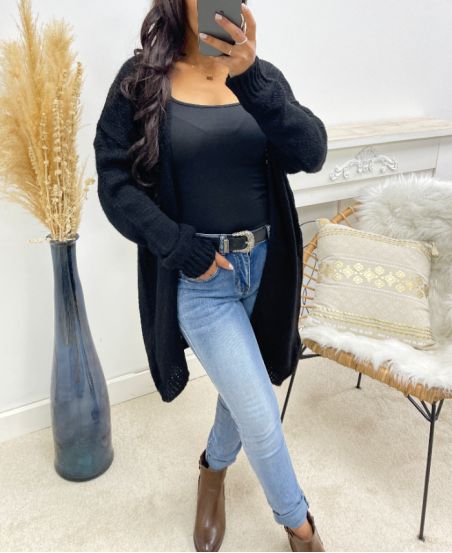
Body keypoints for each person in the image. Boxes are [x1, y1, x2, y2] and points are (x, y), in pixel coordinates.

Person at [93, 1, 328, 551]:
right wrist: (177, 246)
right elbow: (113, 181)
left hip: (268, 269)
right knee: (261, 415)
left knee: (243, 391)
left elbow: (311, 152)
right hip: (202, 281)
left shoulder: (258, 77)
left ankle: (212, 469)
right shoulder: (140, 80)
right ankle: (301, 528)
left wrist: (252, 79)